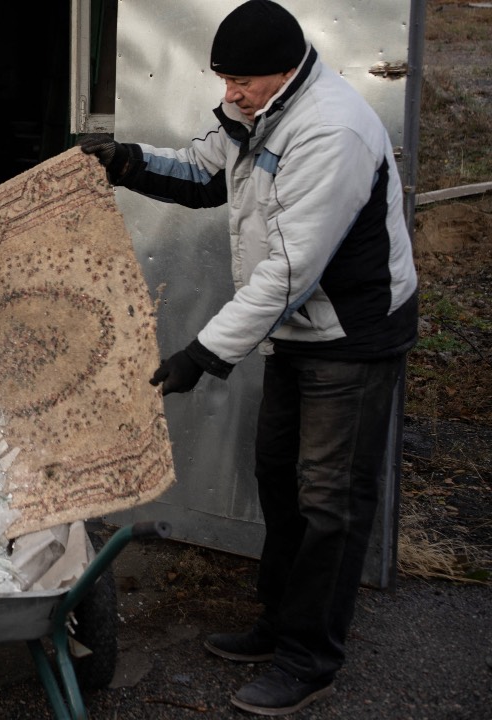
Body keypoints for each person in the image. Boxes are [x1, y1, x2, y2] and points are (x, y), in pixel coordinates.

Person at [80, 0, 417, 715]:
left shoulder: (333, 132)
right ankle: (277, 623)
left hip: (349, 336)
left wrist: (201, 354)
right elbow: (205, 174)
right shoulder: (255, 110)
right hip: (298, 332)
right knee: (279, 479)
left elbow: (288, 275)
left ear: (288, 70)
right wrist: (126, 163)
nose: (229, 93)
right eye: (224, 78)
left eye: (243, 81)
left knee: (329, 501)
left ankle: (310, 659)